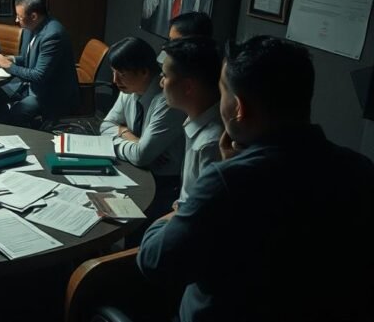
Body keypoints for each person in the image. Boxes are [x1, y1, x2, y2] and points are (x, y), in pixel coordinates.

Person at [138, 37, 374, 322]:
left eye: (221, 91)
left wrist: (175, 213)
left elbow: (155, 262)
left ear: (238, 108)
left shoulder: (227, 183)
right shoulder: (360, 168)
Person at [98, 37, 186, 226]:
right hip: (133, 168)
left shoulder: (166, 101)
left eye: (120, 74)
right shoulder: (128, 89)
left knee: (120, 222)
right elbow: (105, 126)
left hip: (162, 182)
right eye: (113, 73)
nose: (114, 81)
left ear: (144, 72)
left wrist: (119, 139)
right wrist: (131, 136)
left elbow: (141, 156)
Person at [0, 0, 79, 128]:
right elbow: (28, 59)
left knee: (15, 115)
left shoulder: (52, 35)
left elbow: (39, 75)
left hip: (49, 94)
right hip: (30, 86)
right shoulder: (31, 27)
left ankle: (15, 130)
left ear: (34, 16)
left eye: (19, 17)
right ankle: (5, 126)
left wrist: (9, 66)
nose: (16, 21)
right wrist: (12, 59)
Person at [158, 37, 222, 209]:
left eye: (165, 76)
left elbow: (203, 212)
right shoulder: (195, 122)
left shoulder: (210, 144)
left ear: (188, 87)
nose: (161, 83)